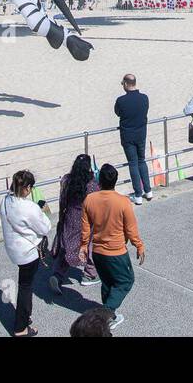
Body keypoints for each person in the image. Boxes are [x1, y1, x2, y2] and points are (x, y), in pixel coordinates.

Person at [80, 164, 145, 331]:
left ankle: (110, 315)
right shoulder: (123, 201)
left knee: (108, 283)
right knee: (125, 281)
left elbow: (85, 227)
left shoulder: (90, 199)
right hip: (116, 252)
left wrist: (83, 246)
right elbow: (131, 229)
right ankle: (105, 315)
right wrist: (139, 245)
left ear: (99, 180)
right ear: (115, 180)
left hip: (98, 252)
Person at [0, 169, 52, 337]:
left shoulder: (5, 201)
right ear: (27, 188)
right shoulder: (29, 207)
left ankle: (24, 318)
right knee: (25, 287)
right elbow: (45, 228)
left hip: (13, 247)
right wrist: (42, 212)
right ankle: (21, 326)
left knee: (25, 284)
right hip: (27, 251)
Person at [49, 154, 100, 292]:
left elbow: (62, 200)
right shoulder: (92, 185)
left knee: (67, 245)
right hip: (85, 219)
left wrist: (62, 217)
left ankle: (58, 274)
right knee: (89, 245)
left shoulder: (66, 180)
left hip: (70, 216)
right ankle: (90, 274)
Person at [114, 74, 152, 203]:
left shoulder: (121, 100)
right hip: (141, 134)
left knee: (133, 163)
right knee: (142, 161)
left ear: (125, 84)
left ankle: (138, 194)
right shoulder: (144, 98)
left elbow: (118, 112)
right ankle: (148, 190)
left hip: (128, 135)